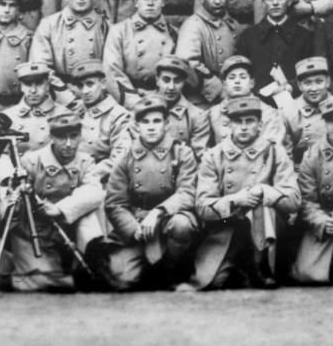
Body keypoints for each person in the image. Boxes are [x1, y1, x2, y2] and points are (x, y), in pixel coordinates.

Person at [192, 95, 300, 290]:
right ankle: (242, 266)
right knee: (216, 281)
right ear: (228, 125)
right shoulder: (214, 155)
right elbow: (202, 206)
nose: (243, 127)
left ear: (259, 125)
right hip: (228, 227)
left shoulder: (274, 152)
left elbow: (293, 200)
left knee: (261, 205)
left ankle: (262, 267)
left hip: (269, 231)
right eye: (237, 121)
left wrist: (266, 191)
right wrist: (234, 200)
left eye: (249, 121)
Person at [5, 109, 110, 293]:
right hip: (34, 232)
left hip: (69, 228)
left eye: (74, 136)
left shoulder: (86, 162)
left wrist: (60, 209)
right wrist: (19, 194)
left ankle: (93, 257)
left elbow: (94, 191)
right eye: (62, 137)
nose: (69, 144)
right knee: (41, 279)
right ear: (52, 137)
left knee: (96, 207)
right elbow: (11, 196)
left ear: (80, 136)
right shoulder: (31, 161)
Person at [102, 97, 200, 290]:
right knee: (122, 279)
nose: (151, 127)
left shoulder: (181, 153)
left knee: (182, 225)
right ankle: (147, 269)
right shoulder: (126, 156)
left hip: (169, 220)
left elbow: (188, 192)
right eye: (145, 122)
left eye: (156, 121)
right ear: (137, 125)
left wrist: (158, 212)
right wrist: (132, 228)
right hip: (138, 224)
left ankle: (172, 272)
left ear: (166, 123)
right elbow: (114, 203)